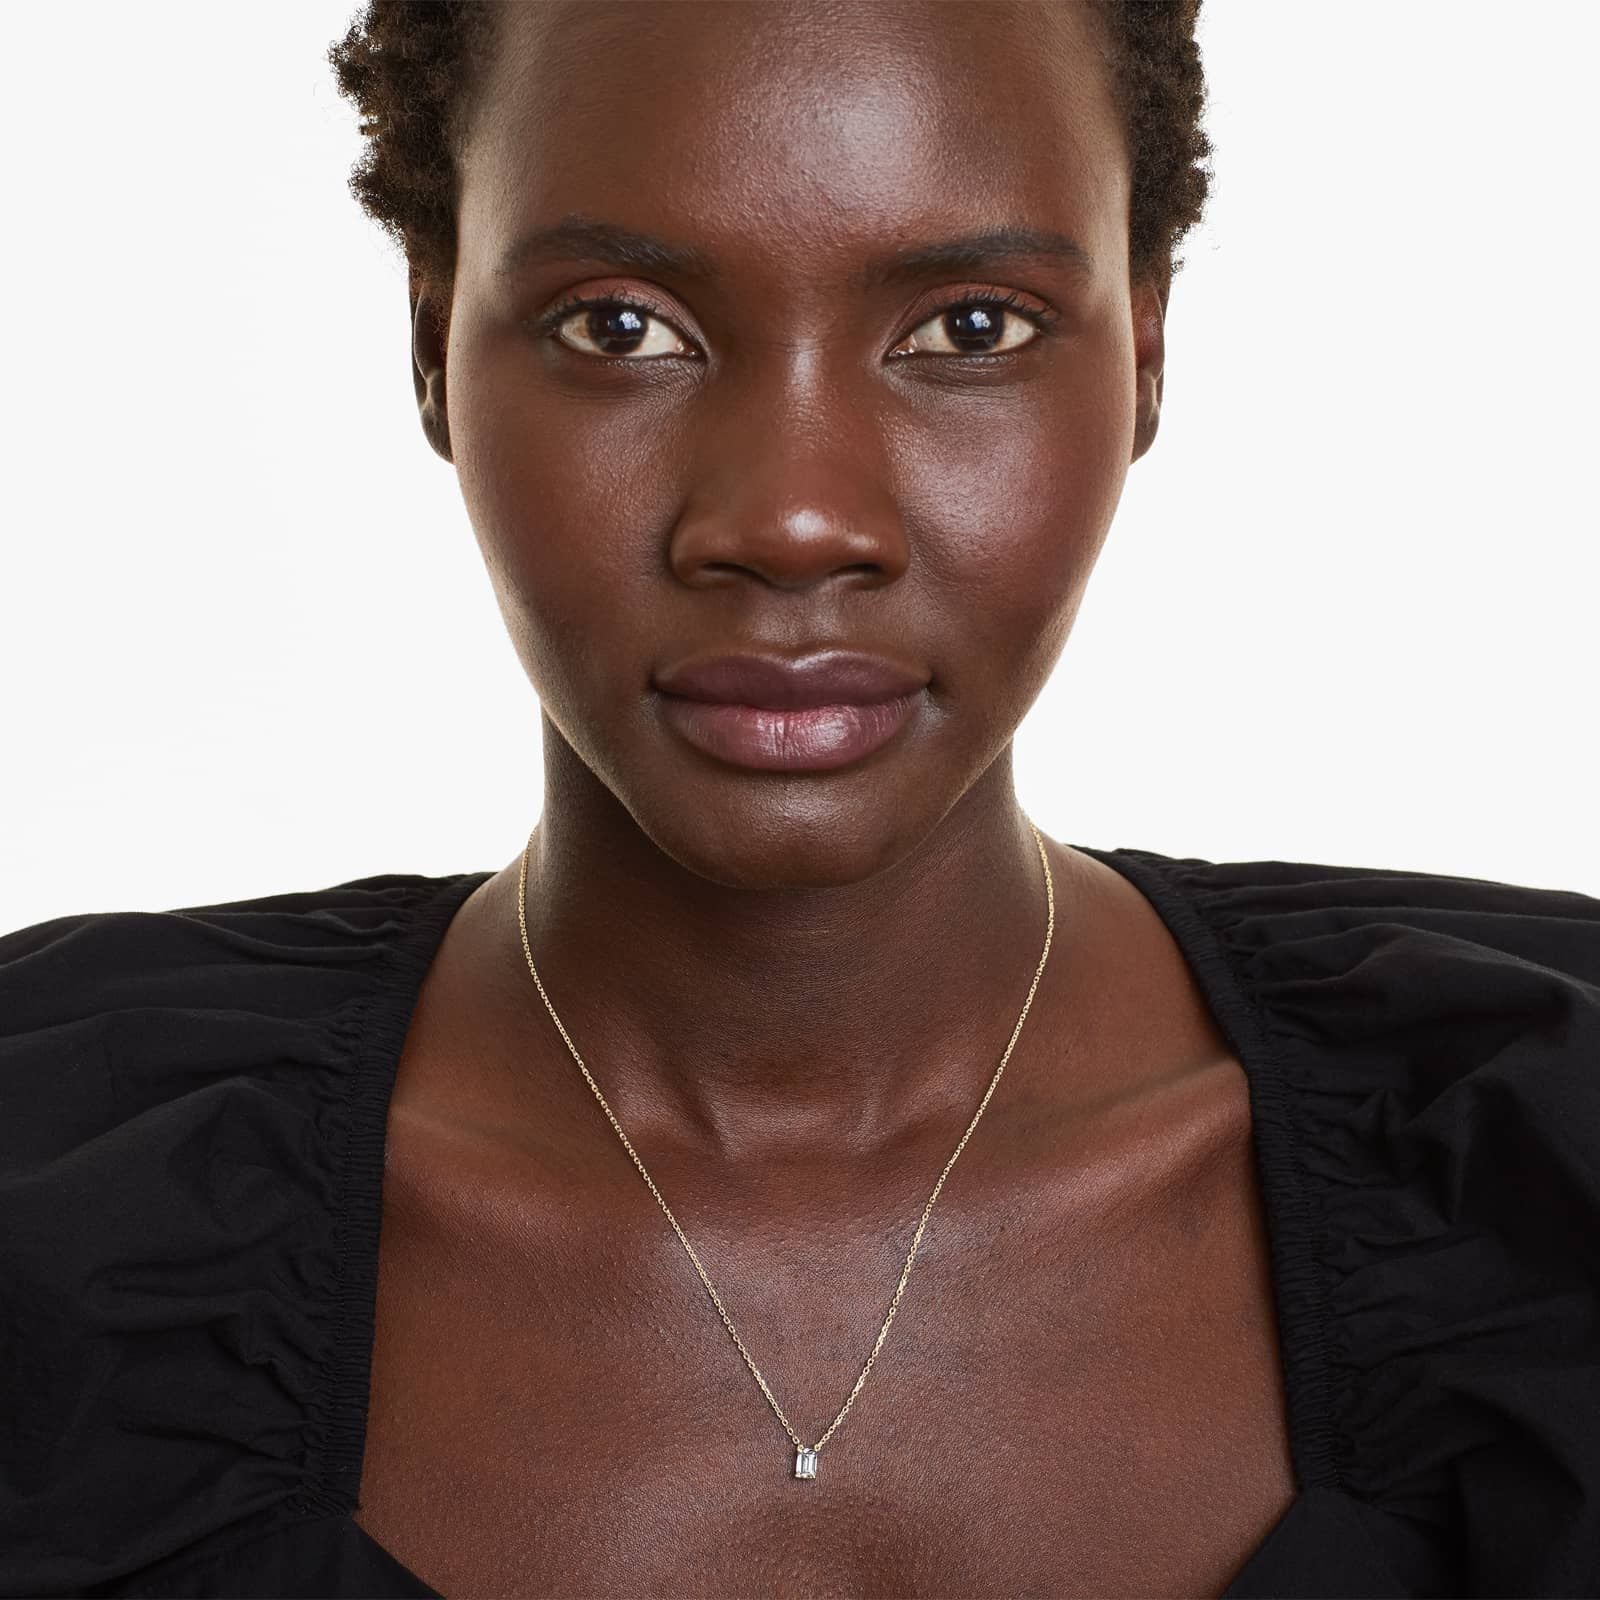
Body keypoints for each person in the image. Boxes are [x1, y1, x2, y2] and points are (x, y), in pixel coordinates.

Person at [2, 2, 1597, 1596]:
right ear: (433, 346)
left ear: (1145, 355)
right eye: (619, 327)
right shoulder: (52, 1187)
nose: (792, 520)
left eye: (971, 326)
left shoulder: (1548, 1142)